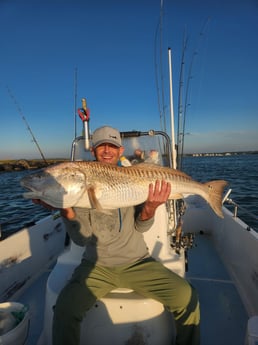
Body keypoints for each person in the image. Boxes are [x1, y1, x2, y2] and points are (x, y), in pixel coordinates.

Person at [34, 125, 200, 345]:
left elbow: (141, 227)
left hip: (138, 262)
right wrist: (65, 207)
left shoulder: (134, 175)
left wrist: (151, 207)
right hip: (97, 266)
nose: (106, 150)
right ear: (93, 151)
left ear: (120, 151)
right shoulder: (81, 186)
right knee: (64, 309)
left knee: (187, 297)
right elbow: (81, 239)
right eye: (101, 145)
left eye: (111, 146)